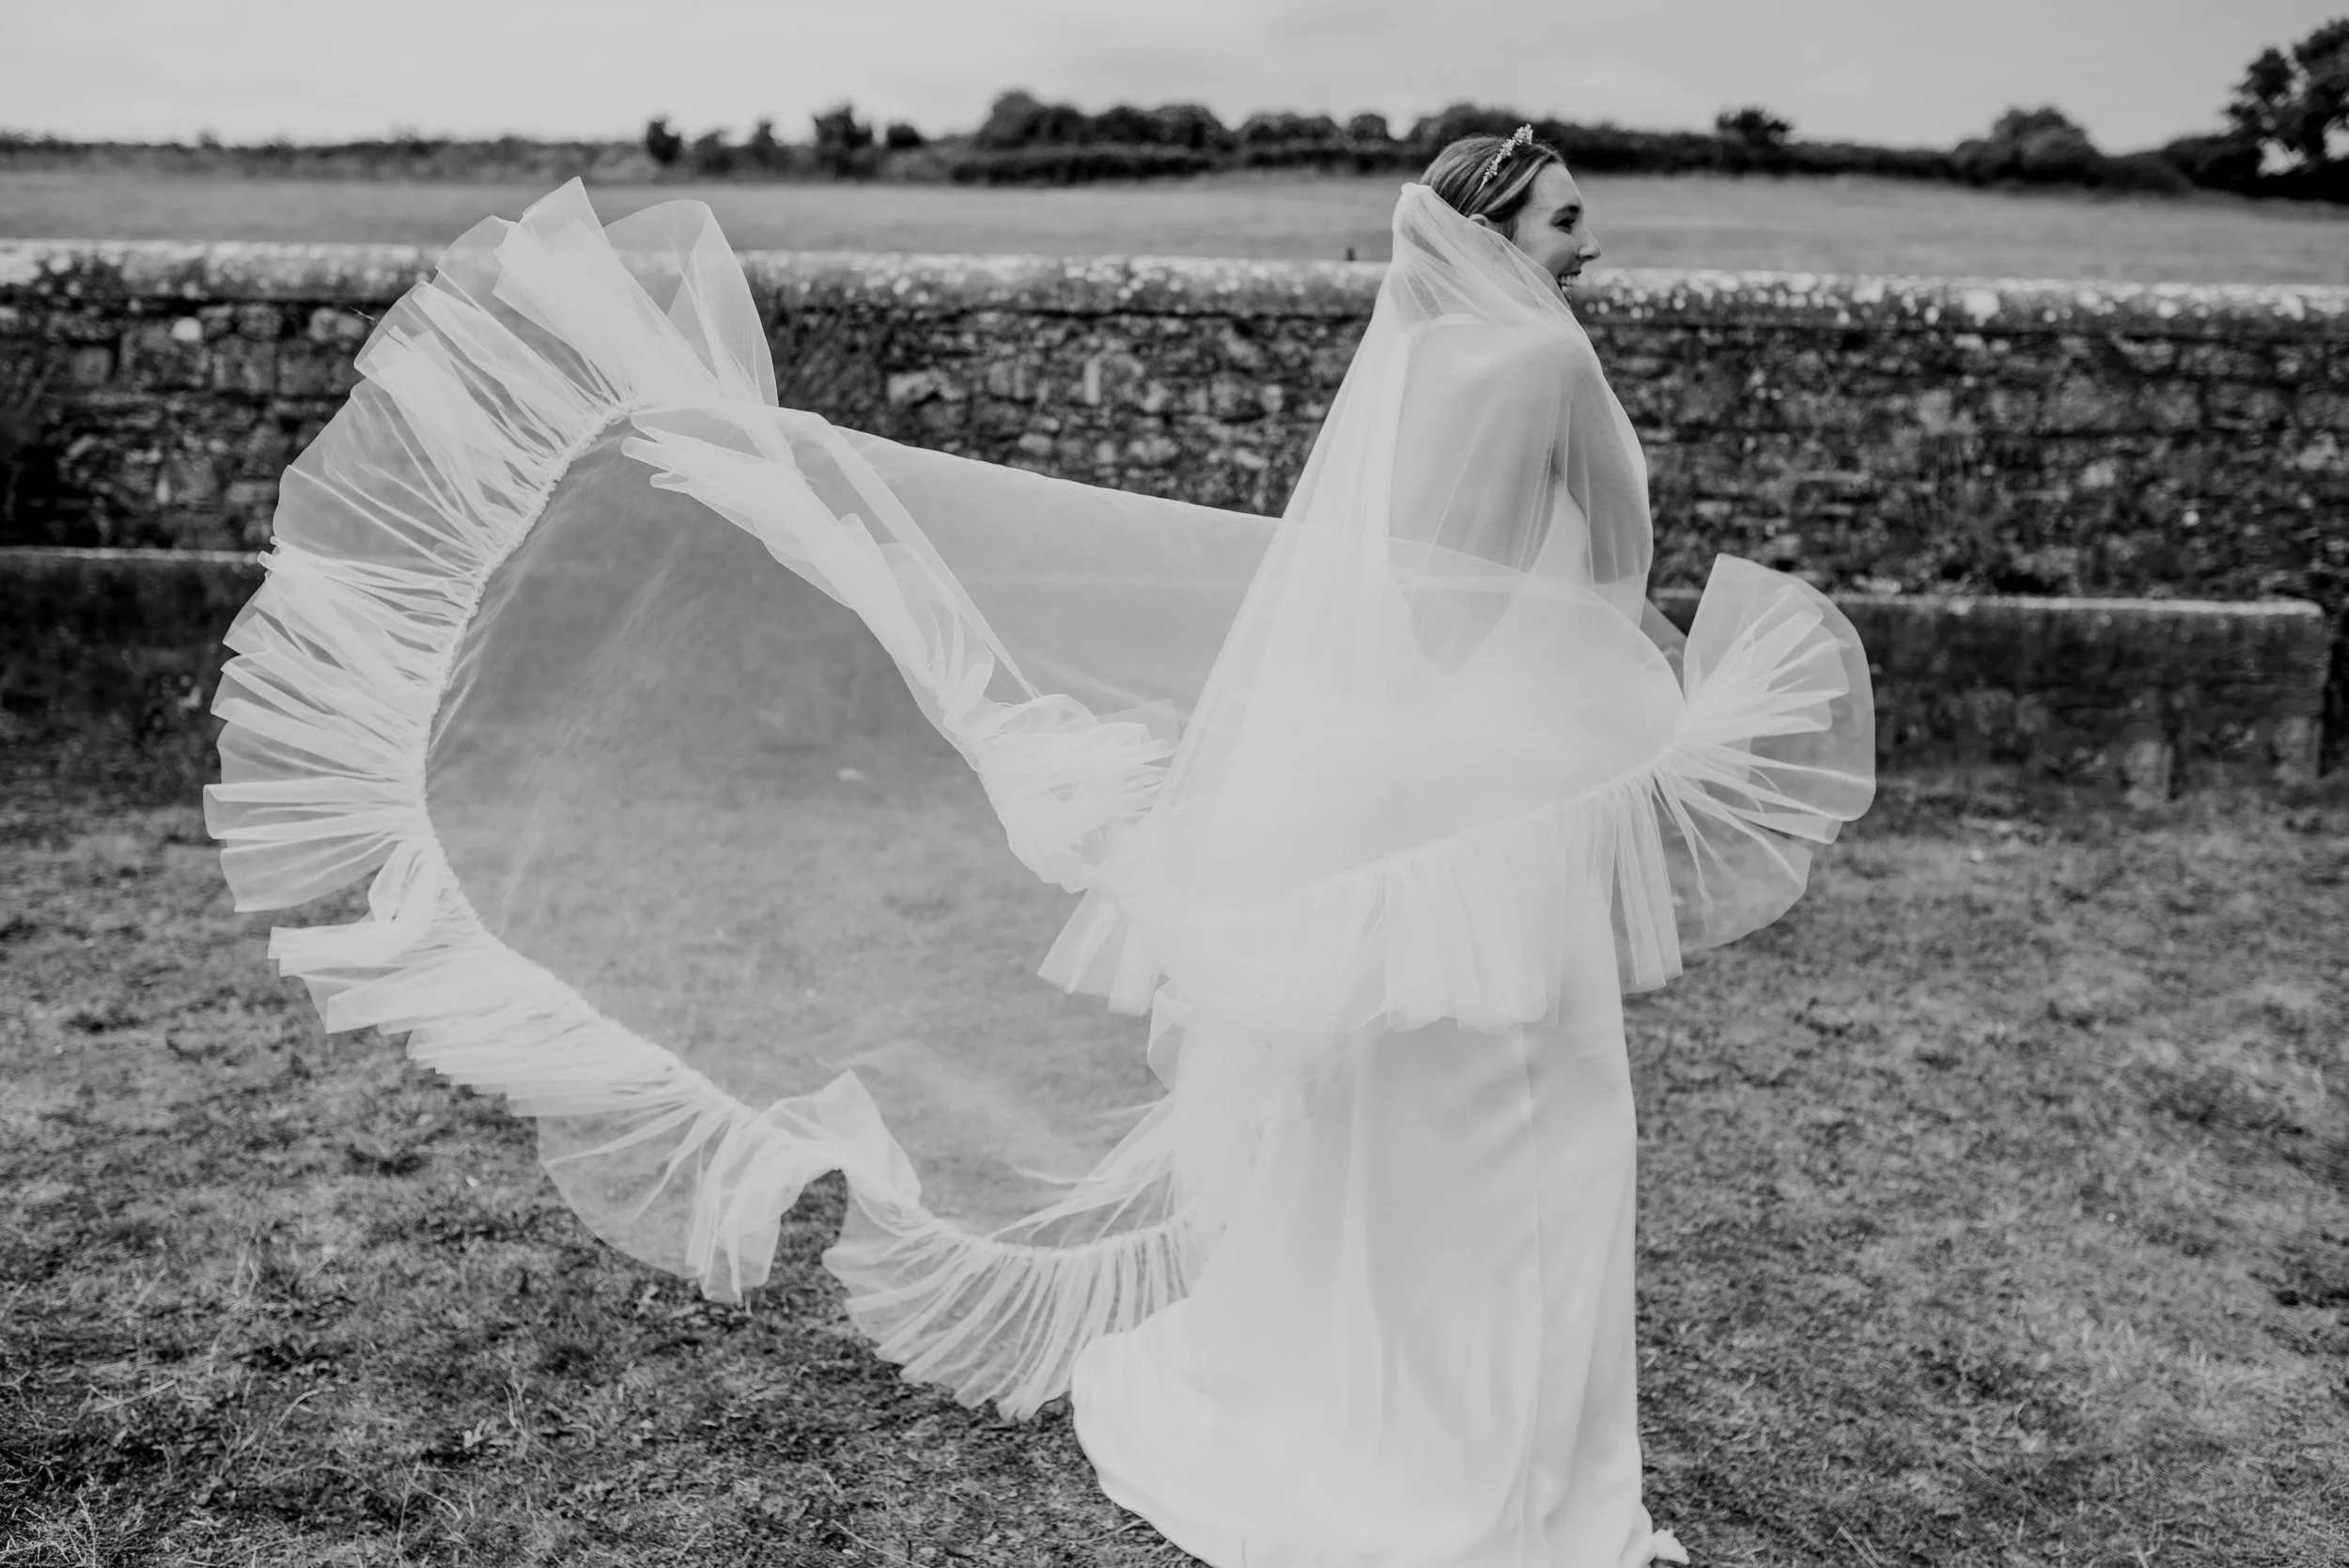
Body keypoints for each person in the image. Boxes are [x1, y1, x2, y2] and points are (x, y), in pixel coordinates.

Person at [208, 128, 1873, 1567]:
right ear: (1496, 233)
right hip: (1495, 789)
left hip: (1387, 781)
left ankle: (1369, 1406)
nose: (1590, 246)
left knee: (1388, 1113)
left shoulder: (1417, 369)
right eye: (1567, 221)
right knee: (1531, 1116)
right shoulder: (1546, 366)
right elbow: (1603, 577)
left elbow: (1388, 602)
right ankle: (1499, 1468)